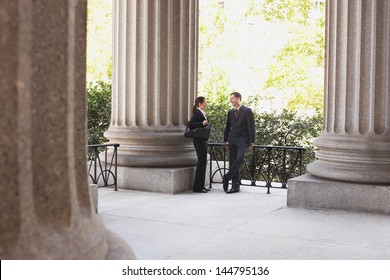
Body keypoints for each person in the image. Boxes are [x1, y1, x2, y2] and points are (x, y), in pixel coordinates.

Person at [223, 92, 256, 194]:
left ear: (238, 99)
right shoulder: (230, 112)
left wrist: (252, 141)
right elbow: (228, 127)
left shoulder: (247, 111)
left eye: (232, 98)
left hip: (243, 141)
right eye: (230, 99)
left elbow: (251, 127)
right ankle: (235, 187)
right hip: (232, 141)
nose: (230, 100)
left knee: (239, 159)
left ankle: (227, 176)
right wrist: (225, 140)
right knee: (233, 163)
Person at [189, 96, 210, 193]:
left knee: (203, 163)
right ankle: (198, 187)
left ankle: (201, 186)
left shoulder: (201, 112)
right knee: (201, 163)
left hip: (202, 141)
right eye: (205, 102)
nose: (206, 104)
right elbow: (191, 124)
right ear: (199, 104)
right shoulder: (197, 112)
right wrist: (202, 123)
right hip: (199, 141)